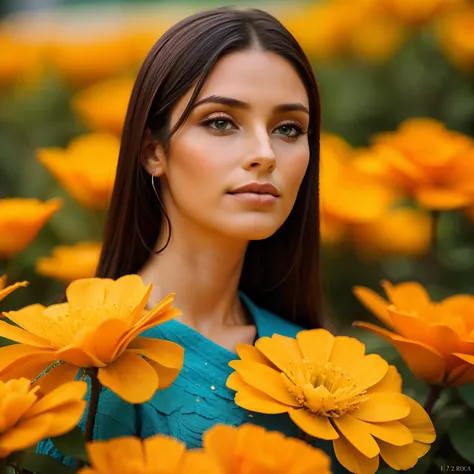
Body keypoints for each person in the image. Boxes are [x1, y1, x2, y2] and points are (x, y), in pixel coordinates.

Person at [39, 6, 344, 471]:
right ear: (153, 152)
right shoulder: (87, 358)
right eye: (221, 121)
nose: (265, 154)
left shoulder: (323, 363)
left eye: (289, 128)